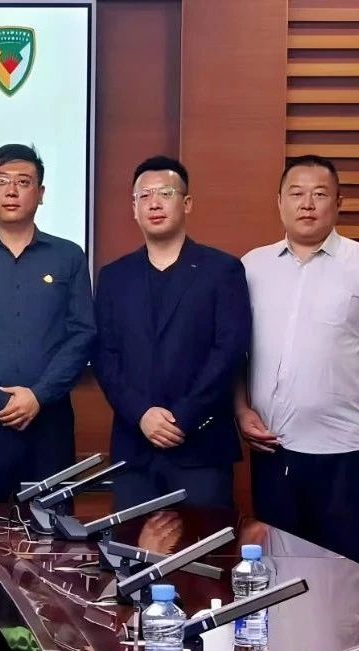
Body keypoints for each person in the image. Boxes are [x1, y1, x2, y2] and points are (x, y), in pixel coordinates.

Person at [238, 154, 359, 565]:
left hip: (342, 448)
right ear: (279, 202)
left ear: (338, 202)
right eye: (296, 194)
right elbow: (235, 352)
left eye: (319, 194)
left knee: (345, 572)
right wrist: (241, 410)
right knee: (277, 573)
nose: (307, 204)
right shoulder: (252, 266)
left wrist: (358, 398)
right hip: (273, 447)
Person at [93, 156, 250, 510]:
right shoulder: (114, 276)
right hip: (135, 448)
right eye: (144, 196)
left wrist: (183, 417)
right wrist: (141, 414)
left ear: (187, 203)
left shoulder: (222, 270)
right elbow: (104, 355)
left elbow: (229, 350)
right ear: (134, 208)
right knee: (132, 544)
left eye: (165, 193)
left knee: (203, 545)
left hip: (201, 447)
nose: (154, 203)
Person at [0, 144, 96, 501]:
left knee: (50, 529)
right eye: (1, 181)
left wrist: (38, 396)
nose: (11, 191)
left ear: (40, 193)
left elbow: (82, 334)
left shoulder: (68, 256)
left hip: (49, 422)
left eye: (23, 182)